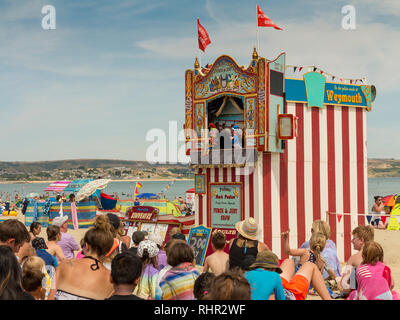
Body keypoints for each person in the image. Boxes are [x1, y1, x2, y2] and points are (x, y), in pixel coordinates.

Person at [54, 215, 114, 300]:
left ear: (86, 246)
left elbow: (51, 296)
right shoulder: (111, 278)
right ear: (108, 250)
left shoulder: (65, 265)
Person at [336, 225, 374, 293]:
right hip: (380, 293)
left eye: (354, 238)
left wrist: (339, 284)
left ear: (361, 240)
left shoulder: (353, 258)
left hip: (362, 294)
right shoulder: (380, 257)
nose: (351, 241)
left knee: (340, 282)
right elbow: (391, 283)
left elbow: (344, 285)